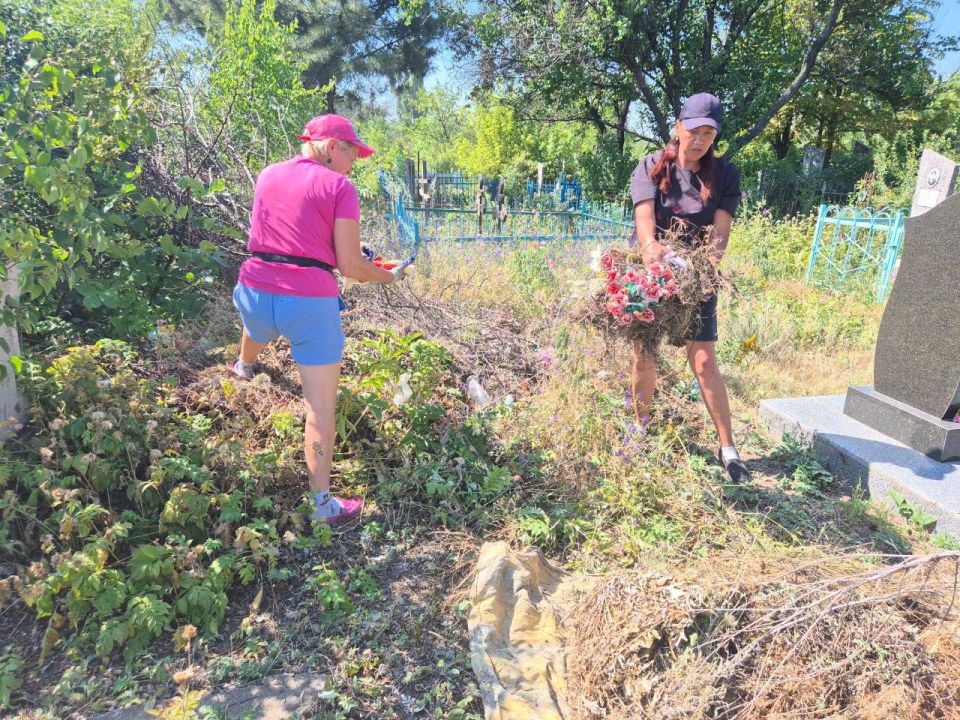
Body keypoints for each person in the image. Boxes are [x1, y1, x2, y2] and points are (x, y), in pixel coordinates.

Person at [229, 114, 408, 523]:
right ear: (332, 147)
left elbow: (291, 236)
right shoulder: (339, 186)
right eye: (352, 153)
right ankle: (322, 505)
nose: (353, 163)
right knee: (320, 409)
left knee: (257, 327)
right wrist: (387, 275)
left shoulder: (268, 174)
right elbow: (350, 267)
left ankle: (244, 366)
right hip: (308, 303)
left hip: (254, 290)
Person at [629, 93, 750, 483]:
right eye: (694, 130)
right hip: (652, 275)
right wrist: (652, 252)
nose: (699, 140)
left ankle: (728, 448)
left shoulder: (726, 175)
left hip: (696, 278)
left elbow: (720, 234)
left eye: (709, 133)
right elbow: (645, 223)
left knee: (703, 362)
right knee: (644, 355)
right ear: (677, 127)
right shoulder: (650, 166)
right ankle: (641, 432)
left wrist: (701, 272)